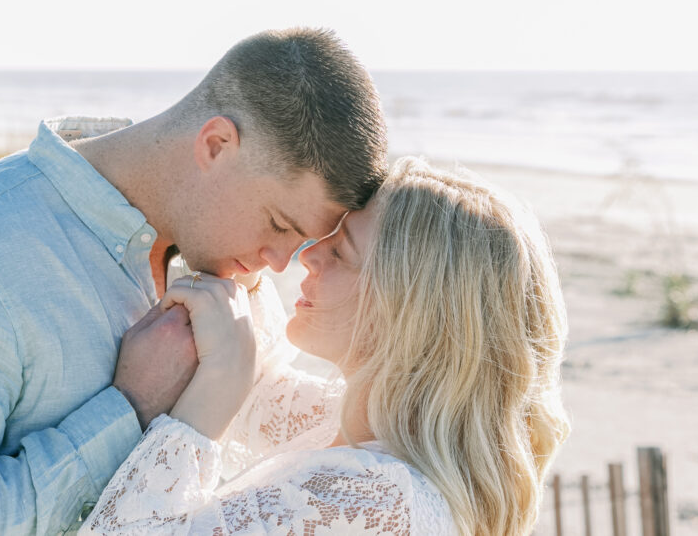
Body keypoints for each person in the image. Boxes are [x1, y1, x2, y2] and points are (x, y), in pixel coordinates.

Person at [0, 28, 389, 534]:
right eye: (278, 224)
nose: (279, 262)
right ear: (216, 145)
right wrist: (131, 408)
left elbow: (284, 423)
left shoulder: (213, 261)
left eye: (304, 243)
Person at [84, 157, 570, 535]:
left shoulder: (377, 503)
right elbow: (258, 393)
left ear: (407, 314)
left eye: (340, 252)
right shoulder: (372, 424)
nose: (308, 254)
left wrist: (206, 402)